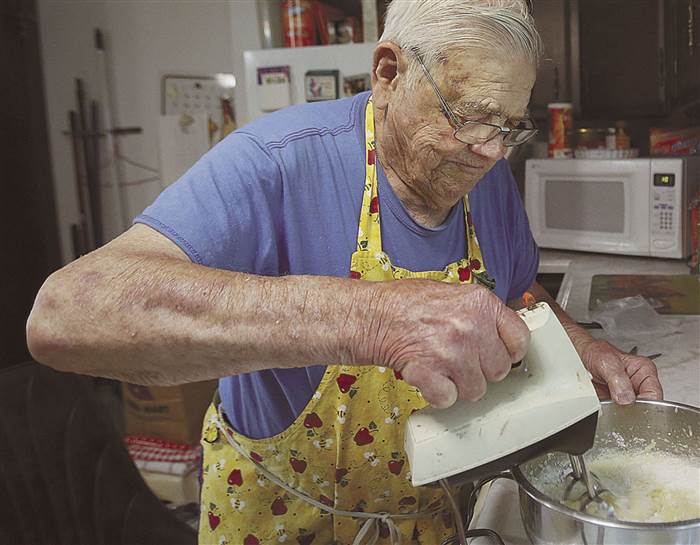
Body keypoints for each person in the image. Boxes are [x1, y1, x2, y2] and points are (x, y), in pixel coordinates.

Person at [27, 0, 663, 543]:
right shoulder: (275, 163)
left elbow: (518, 287)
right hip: (280, 521)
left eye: (509, 126)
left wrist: (583, 347)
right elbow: (66, 314)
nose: (492, 152)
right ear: (388, 72)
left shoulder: (487, 177)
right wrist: (376, 318)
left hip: (433, 519)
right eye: (469, 116)